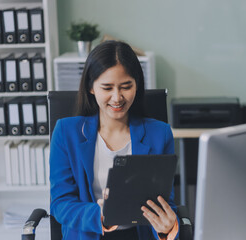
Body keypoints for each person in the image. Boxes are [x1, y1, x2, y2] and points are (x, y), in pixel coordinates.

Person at [50, 40, 179, 240]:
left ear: (137, 85)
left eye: (126, 86)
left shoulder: (160, 134)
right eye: (107, 87)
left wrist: (168, 228)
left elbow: (164, 201)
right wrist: (98, 216)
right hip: (89, 233)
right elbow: (60, 202)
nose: (117, 97)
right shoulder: (66, 133)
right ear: (91, 88)